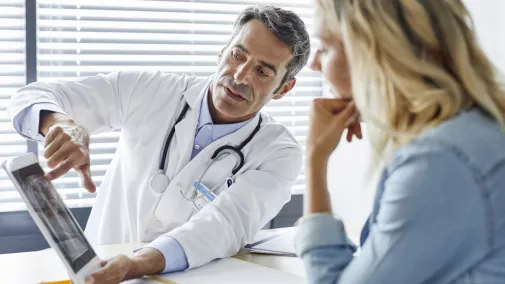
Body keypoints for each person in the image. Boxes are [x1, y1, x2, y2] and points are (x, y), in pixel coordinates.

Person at [9, 5, 310, 283]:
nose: (241, 75)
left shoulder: (279, 152)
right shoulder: (150, 90)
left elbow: (226, 224)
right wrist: (61, 123)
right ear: (222, 52)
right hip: (97, 272)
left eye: (263, 71)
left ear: (284, 88)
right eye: (238, 55)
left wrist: (135, 264)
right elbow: (34, 94)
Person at [296, 0, 505, 283]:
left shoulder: (440, 162)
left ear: (374, 53)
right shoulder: (474, 130)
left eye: (324, 47)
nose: (313, 64)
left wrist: (315, 158)